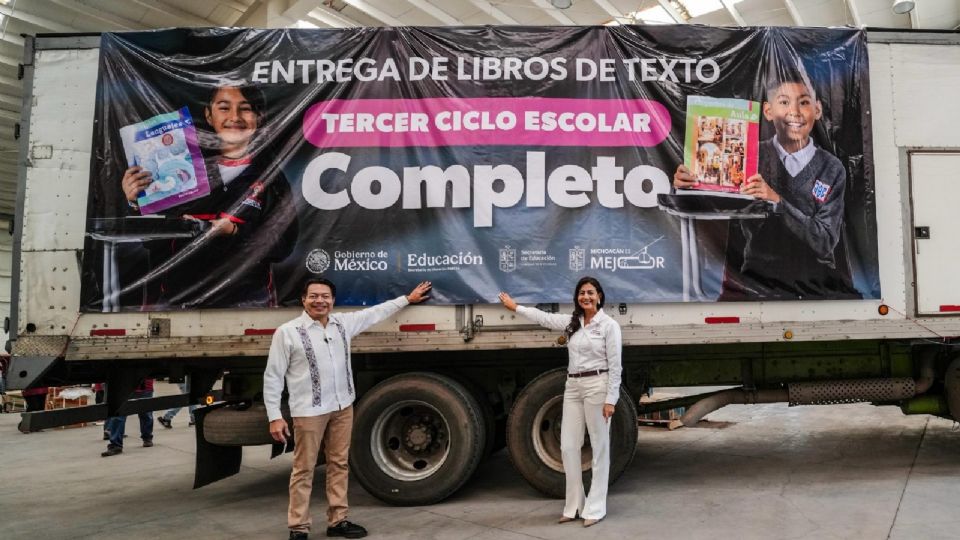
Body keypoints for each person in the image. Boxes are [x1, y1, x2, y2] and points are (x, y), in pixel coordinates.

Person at [264, 278, 432, 540]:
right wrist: (275, 416)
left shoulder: (342, 324)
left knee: (339, 464)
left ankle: (338, 521)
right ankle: (298, 527)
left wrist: (406, 299)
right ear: (303, 300)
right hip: (309, 412)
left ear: (333, 300)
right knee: (303, 469)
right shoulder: (288, 332)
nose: (320, 301)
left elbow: (374, 313)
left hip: (342, 407)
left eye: (325, 296)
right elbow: (273, 376)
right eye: (314, 296)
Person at [674, 70, 860, 300]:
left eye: (804, 102)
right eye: (784, 102)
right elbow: (713, 203)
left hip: (814, 283)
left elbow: (824, 241)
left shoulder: (831, 168)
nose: (794, 111)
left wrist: (777, 201)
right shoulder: (747, 156)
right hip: (756, 278)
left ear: (818, 109)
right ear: (768, 111)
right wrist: (690, 183)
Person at [120, 84, 298, 309]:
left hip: (247, 304)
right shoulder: (178, 169)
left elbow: (283, 244)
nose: (234, 117)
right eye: (224, 107)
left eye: (245, 108)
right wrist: (136, 201)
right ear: (209, 115)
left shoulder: (270, 176)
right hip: (177, 302)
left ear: (259, 117)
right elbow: (150, 238)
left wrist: (234, 232)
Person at [498, 277, 622, 528]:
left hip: (597, 386)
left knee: (599, 448)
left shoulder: (609, 326)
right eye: (581, 293)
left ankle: (596, 508)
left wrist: (611, 399)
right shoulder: (572, 323)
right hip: (573, 386)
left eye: (590, 292)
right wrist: (515, 307)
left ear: (599, 296)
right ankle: (574, 505)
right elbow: (543, 318)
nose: (585, 297)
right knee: (568, 446)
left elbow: (616, 366)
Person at [101, 378, 155, 457]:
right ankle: (116, 445)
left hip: (144, 386)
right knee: (118, 416)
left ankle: (147, 437)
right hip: (123, 387)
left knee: (146, 414)